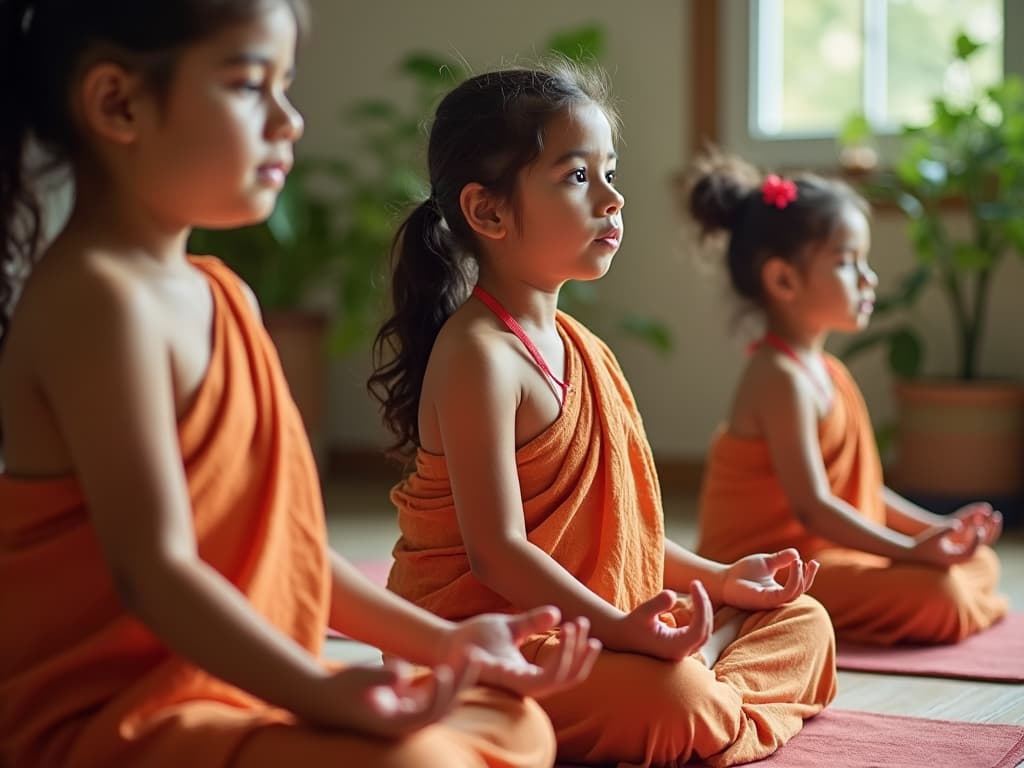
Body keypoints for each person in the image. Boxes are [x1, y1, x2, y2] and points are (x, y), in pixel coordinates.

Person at [0, 3, 601, 767]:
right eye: (252, 87)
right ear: (119, 103)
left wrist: (452, 643)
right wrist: (320, 694)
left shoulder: (225, 296)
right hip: (122, 718)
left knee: (514, 721)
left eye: (287, 87)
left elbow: (293, 555)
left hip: (233, 689)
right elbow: (157, 572)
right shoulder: (93, 301)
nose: (289, 121)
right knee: (422, 759)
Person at [369, 63, 837, 768]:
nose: (614, 199)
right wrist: (620, 628)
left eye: (609, 172)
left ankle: (704, 684)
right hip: (492, 642)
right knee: (674, 699)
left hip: (590, 627)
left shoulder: (583, 349)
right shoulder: (479, 357)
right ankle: (705, 691)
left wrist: (720, 579)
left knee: (804, 619)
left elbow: (627, 538)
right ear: (489, 211)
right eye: (578, 177)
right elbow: (496, 554)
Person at [686, 153, 1008, 646]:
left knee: (977, 562)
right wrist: (910, 551)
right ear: (783, 280)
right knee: (939, 593)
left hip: (836, 554)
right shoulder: (778, 377)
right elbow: (814, 507)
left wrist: (936, 530)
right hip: (775, 564)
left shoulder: (828, 372)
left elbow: (864, 491)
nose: (869, 278)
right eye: (846, 262)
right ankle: (751, 611)